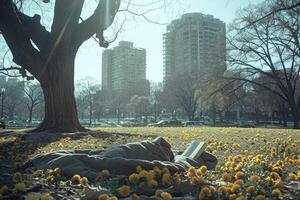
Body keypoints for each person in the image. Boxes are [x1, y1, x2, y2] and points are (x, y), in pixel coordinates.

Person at [23, 137, 217, 179]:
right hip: (125, 152)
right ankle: (44, 159)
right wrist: (183, 164)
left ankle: (44, 159)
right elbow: (138, 164)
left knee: (94, 157)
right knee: (98, 159)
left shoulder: (170, 153)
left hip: (123, 151)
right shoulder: (161, 152)